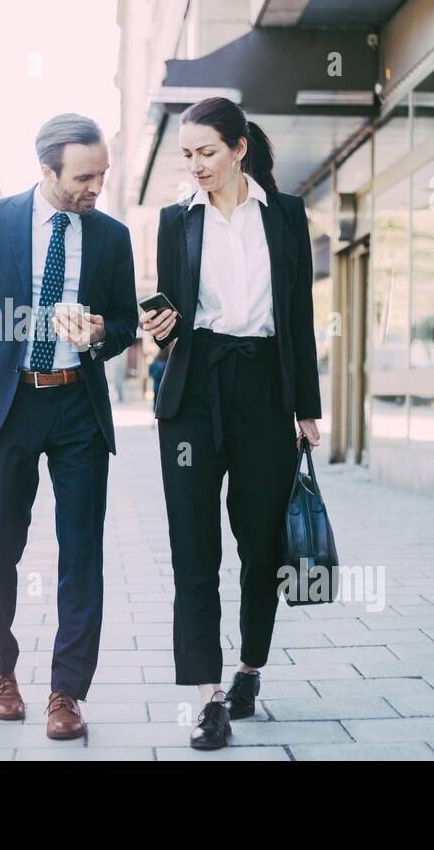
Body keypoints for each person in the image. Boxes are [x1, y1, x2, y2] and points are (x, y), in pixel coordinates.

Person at [0, 113, 137, 740]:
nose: (95, 186)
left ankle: (67, 692)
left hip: (78, 408)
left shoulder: (111, 236)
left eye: (102, 174)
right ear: (46, 170)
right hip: (6, 406)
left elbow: (125, 323)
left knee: (83, 554)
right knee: (0, 549)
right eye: (83, 176)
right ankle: (1, 673)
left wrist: (101, 331)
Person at [140, 96, 322, 750]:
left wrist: (308, 407)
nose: (196, 166)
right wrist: (158, 330)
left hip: (265, 392)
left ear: (240, 148)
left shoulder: (288, 216)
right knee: (193, 549)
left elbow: (297, 315)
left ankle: (249, 666)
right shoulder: (175, 220)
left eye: (207, 153)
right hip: (193, 392)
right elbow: (169, 321)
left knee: (261, 545)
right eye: (187, 155)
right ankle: (207, 696)